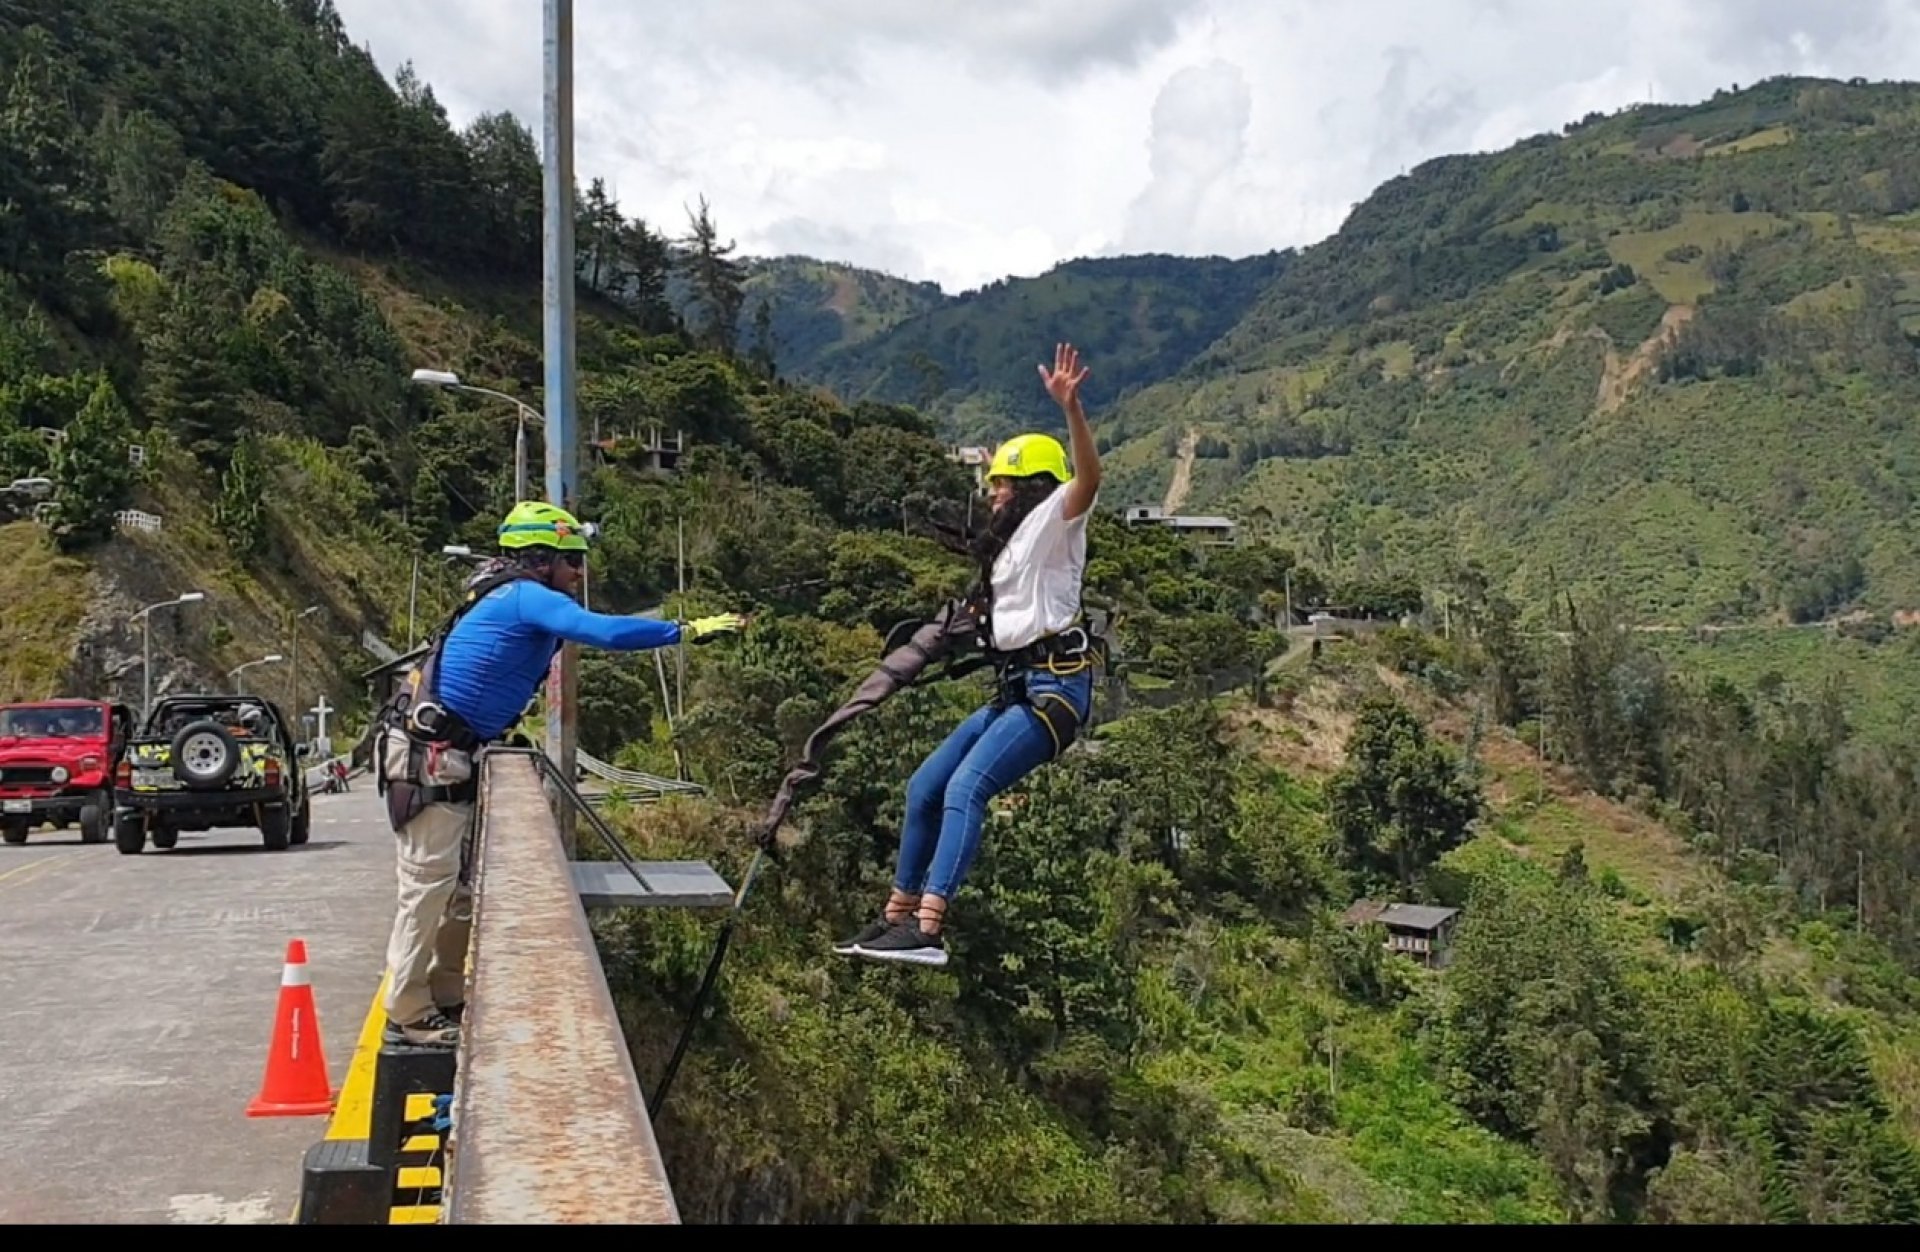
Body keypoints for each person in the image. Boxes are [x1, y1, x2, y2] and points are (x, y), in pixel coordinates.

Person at [376, 500, 747, 1047]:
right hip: (432, 755)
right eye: (571, 560)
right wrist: (683, 630)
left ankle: (446, 995)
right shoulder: (526, 596)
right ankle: (406, 1011)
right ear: (540, 558)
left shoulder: (504, 592)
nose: (578, 573)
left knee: (456, 890)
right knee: (427, 887)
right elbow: (603, 633)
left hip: (455, 751)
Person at [836, 342, 1103, 968]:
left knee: (966, 787)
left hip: (1055, 690)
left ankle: (929, 927)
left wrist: (1072, 410)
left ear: (1033, 486)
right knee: (923, 787)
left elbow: (1088, 478)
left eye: (1002, 485)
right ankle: (895, 917)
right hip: (1017, 688)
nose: (993, 495)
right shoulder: (1005, 549)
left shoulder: (1058, 520)